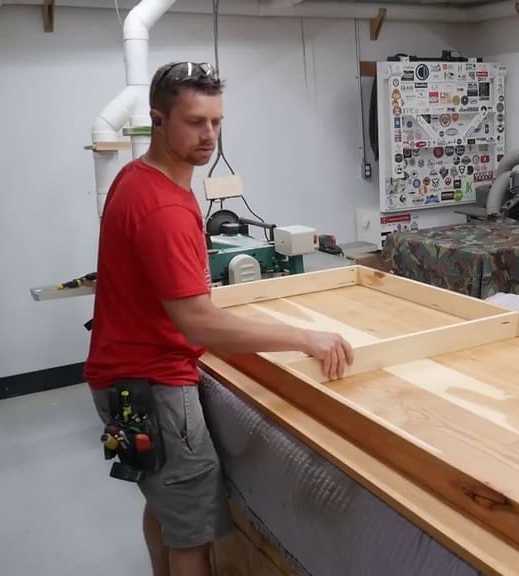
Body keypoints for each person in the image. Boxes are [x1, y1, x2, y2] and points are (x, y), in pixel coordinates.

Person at [83, 61, 354, 576]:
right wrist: (305, 339)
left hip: (122, 375)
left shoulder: (137, 177)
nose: (209, 135)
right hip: (154, 385)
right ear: (157, 120)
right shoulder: (164, 207)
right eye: (194, 122)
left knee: (165, 505)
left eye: (216, 121)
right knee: (192, 533)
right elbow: (198, 324)